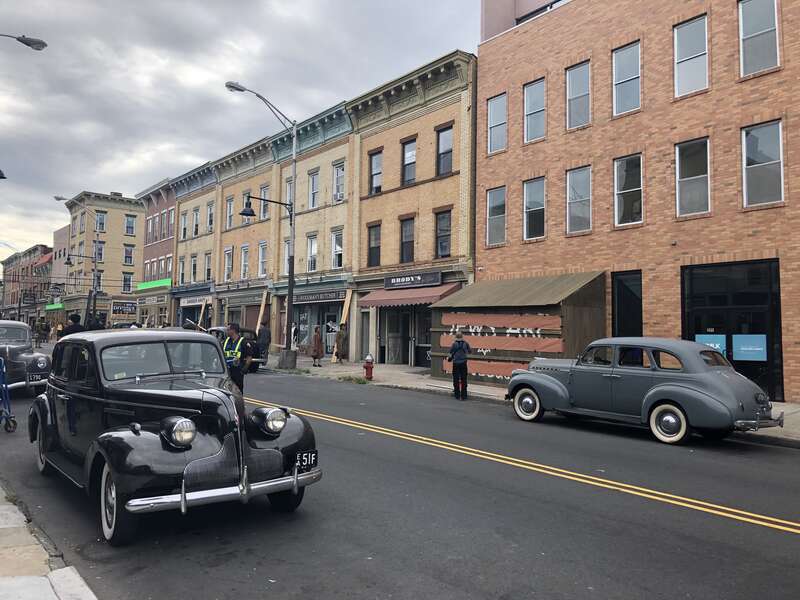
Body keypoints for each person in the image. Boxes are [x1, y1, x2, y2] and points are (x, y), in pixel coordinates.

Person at [223, 323, 252, 393]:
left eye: (228, 330)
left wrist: (244, 369)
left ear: (233, 330)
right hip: (226, 371)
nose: (226, 331)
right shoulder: (226, 341)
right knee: (226, 391)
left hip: (237, 372)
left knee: (237, 392)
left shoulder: (243, 342)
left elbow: (249, 357)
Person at [447, 331, 472, 400]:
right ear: (462, 337)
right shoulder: (466, 343)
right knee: (464, 379)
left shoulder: (454, 344)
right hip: (463, 363)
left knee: (456, 379)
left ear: (456, 337)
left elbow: (450, 353)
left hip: (456, 363)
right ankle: (464, 396)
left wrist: (449, 359)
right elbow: (470, 351)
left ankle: (457, 395)